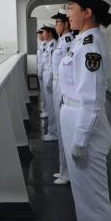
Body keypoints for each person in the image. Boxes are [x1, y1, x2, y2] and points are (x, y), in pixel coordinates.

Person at [57, 0, 111, 221]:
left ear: (88, 12)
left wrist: (80, 140)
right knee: (83, 197)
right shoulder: (81, 41)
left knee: (93, 199)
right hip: (74, 118)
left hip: (85, 125)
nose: (68, 14)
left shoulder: (91, 45)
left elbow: (91, 100)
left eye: (72, 8)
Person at [50, 11, 75, 185]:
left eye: (58, 23)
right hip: (57, 84)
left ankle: (67, 173)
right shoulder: (61, 41)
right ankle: (63, 169)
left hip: (62, 85)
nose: (56, 26)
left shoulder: (68, 42)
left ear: (66, 24)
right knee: (60, 130)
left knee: (63, 131)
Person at [41, 26, 59, 143]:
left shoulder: (53, 45)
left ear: (50, 33)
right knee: (49, 103)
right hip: (46, 73)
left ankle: (54, 133)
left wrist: (50, 79)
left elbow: (53, 65)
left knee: (52, 106)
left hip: (50, 75)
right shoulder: (48, 44)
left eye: (44, 32)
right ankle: (52, 131)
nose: (42, 34)